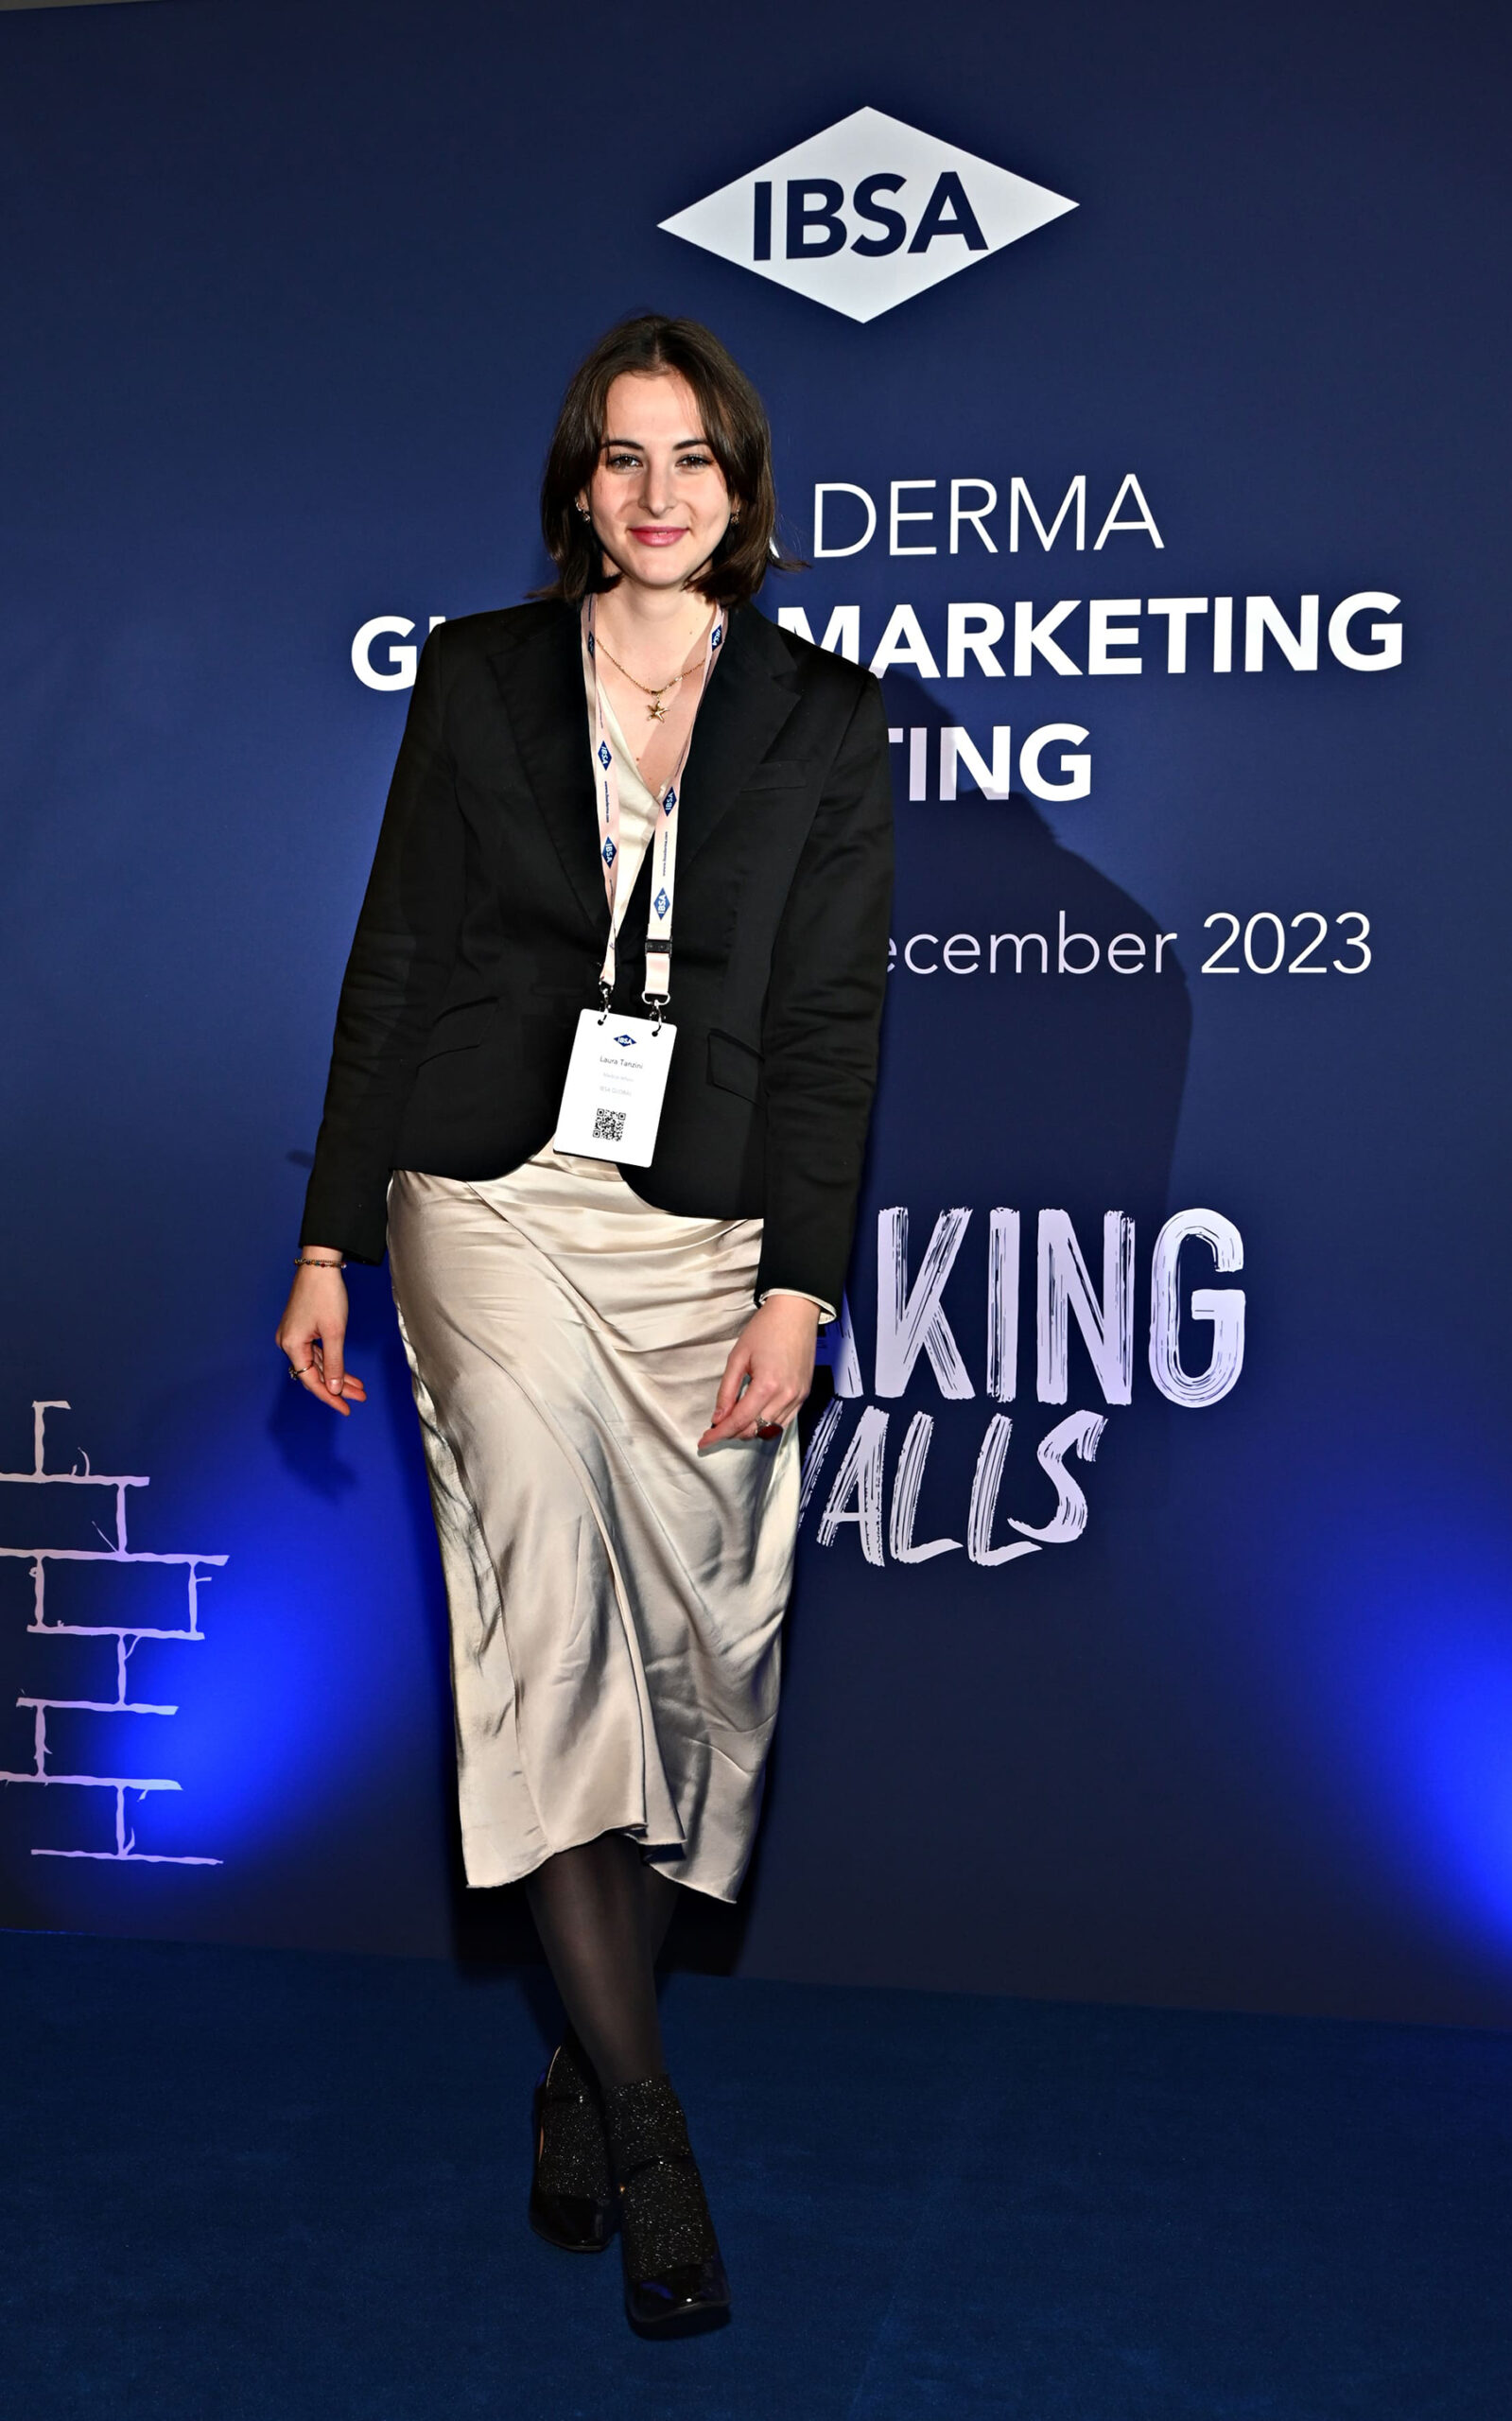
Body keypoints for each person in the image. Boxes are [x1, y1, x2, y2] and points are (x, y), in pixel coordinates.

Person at [275, 315, 893, 2336]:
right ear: (578, 483)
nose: (656, 492)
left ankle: (575, 2063)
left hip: (703, 1231)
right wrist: (328, 1239)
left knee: (695, 1672)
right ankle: (650, 2130)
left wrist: (801, 1283)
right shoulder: (475, 677)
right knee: (542, 1614)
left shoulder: (824, 719)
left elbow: (828, 1026)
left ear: (742, 485)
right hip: (482, 1199)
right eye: (622, 457)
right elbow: (393, 959)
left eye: (691, 456)